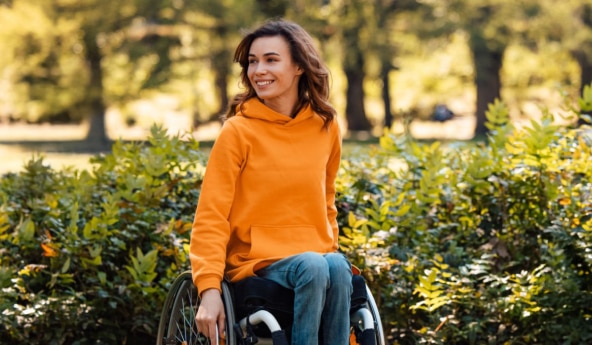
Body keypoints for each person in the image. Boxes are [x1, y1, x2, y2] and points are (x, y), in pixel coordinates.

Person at [189, 19, 352, 345]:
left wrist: (328, 247)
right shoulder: (238, 131)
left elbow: (327, 200)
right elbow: (211, 214)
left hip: (315, 260)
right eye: (252, 61)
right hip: (256, 264)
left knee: (335, 262)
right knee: (316, 265)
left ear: (299, 68)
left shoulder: (326, 126)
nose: (258, 70)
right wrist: (208, 288)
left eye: (271, 59)